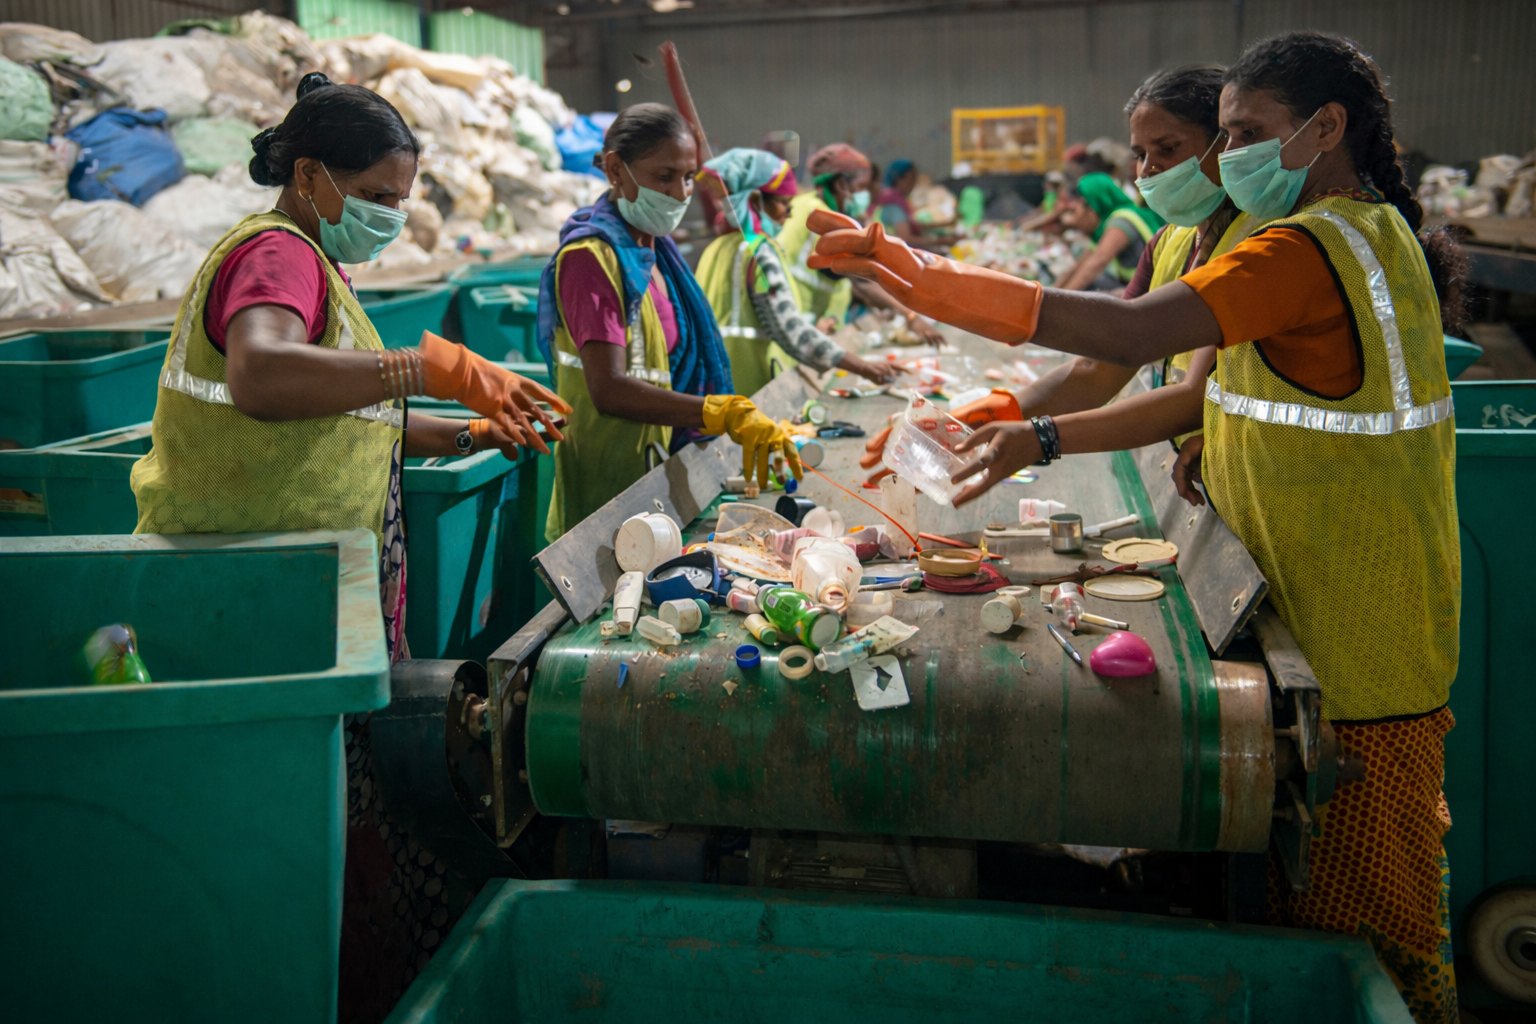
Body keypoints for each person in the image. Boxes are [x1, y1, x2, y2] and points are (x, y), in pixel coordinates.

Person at [811, 31, 1465, 1024]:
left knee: (1364, 935)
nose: (1216, 161)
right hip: (1330, 606)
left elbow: (1124, 337)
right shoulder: (1342, 235)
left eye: (1241, 135)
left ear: (1328, 128)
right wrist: (1022, 423)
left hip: (1360, 639)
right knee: (1302, 910)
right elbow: (1207, 394)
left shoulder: (1305, 247)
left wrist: (917, 274)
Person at [127, 72, 569, 1017]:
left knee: (324, 822)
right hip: (248, 591)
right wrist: (425, 365)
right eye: (373, 198)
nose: (387, 217)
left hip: (281, 585)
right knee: (279, 830)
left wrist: (467, 432)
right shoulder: (278, 256)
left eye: (399, 202)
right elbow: (261, 374)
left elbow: (337, 413)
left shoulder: (318, 266)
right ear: (311, 175)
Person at [859, 64, 1259, 486]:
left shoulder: (1257, 245)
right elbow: (1098, 368)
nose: (1147, 172)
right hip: (1216, 475)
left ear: (1223, 142)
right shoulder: (1169, 242)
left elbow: (1165, 372)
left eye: (1168, 149)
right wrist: (980, 418)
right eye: (1140, 155)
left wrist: (1042, 437)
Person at [535, 104, 800, 541]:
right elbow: (608, 389)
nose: (680, 193)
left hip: (659, 477)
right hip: (610, 487)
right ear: (616, 170)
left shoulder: (657, 258)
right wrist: (719, 411)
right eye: (664, 176)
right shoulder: (590, 259)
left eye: (689, 177)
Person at [694, 148, 899, 397]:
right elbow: (791, 330)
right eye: (783, 204)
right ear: (756, 200)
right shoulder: (760, 252)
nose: (790, 213)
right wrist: (863, 367)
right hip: (752, 385)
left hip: (714, 385)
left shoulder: (716, 248)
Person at [777, 143, 945, 345]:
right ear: (840, 185)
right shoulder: (821, 217)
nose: (867, 194)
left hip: (809, 319)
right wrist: (911, 317)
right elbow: (861, 280)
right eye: (862, 187)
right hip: (796, 319)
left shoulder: (809, 204)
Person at [1054, 171, 1166, 290]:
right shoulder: (1107, 223)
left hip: (1153, 290)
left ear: (1094, 204)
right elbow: (1083, 262)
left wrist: (1059, 300)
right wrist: (1051, 292)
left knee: (1096, 282)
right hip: (1140, 286)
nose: (1077, 210)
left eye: (1081, 204)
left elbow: (1097, 262)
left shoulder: (1122, 220)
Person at [874, 159, 943, 250]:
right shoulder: (893, 206)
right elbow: (906, 239)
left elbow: (912, 225)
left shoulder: (894, 200)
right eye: (911, 178)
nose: (913, 183)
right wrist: (939, 241)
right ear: (899, 179)